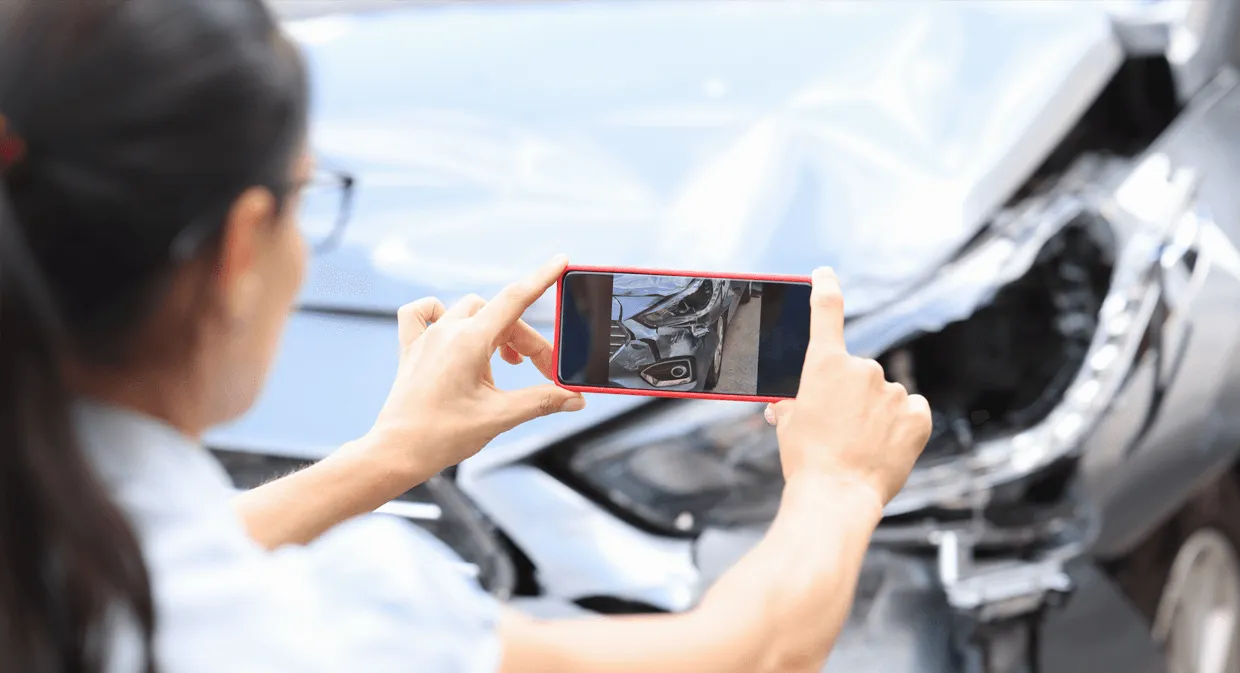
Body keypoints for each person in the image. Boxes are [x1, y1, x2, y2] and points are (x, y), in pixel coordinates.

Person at [0, 2, 932, 673]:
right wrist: (838, 483)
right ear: (240, 245)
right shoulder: (322, 629)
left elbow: (136, 565)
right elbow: (748, 655)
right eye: (306, 199)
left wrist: (389, 455)